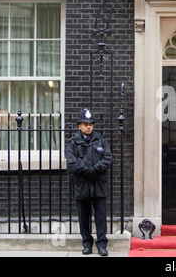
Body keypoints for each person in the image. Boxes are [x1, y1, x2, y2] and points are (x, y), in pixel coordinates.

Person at [66, 109, 113, 256]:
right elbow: (71, 162)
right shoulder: (73, 143)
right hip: (82, 184)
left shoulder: (101, 140)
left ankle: (101, 245)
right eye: (86, 124)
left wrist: (96, 168)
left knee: (101, 216)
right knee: (83, 217)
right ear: (79, 126)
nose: (89, 127)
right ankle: (86, 244)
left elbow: (108, 159)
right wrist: (86, 170)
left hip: (98, 185)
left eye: (91, 124)